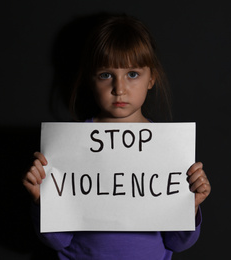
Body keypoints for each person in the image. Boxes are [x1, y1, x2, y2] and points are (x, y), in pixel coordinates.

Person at [22, 14, 211, 259]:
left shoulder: (169, 149)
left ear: (151, 78)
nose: (119, 88)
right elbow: (58, 241)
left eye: (132, 74)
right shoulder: (69, 148)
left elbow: (177, 244)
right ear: (90, 79)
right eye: (105, 75)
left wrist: (191, 205)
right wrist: (42, 202)